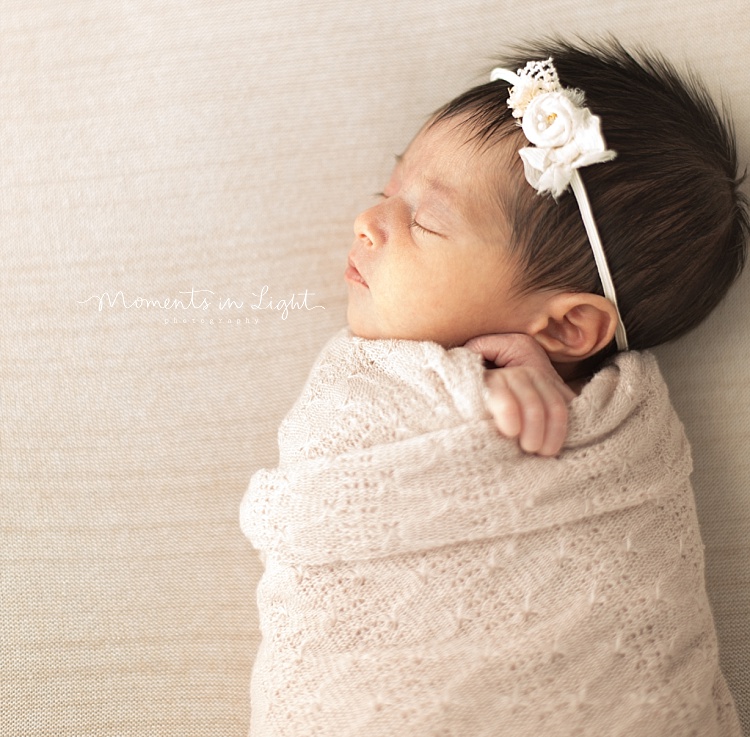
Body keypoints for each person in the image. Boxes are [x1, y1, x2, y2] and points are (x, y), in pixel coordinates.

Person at [242, 38, 748, 736]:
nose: (370, 223)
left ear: (570, 329)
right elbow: (320, 503)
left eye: (424, 220)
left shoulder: (622, 436)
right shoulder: (384, 391)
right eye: (385, 195)